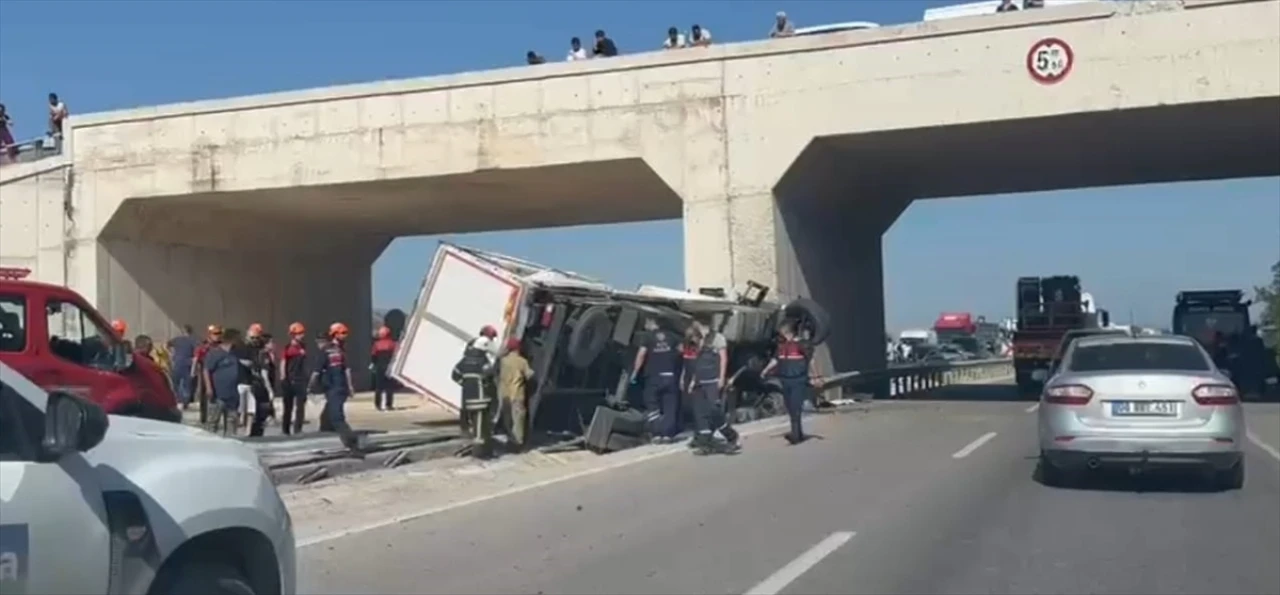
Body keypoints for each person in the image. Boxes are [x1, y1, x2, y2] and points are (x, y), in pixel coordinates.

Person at [682, 317, 740, 454]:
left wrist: (721, 378)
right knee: (700, 413)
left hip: (712, 381)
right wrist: (692, 381)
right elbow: (698, 364)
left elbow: (723, 359)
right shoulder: (698, 341)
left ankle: (730, 435)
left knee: (714, 410)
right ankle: (705, 443)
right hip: (699, 382)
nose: (694, 343)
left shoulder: (717, 338)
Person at [310, 322, 362, 454]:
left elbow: (316, 372)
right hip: (341, 388)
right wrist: (350, 387)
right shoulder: (340, 351)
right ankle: (326, 441)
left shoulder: (326, 351)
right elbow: (347, 370)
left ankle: (352, 443)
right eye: (343, 334)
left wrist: (310, 387)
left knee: (336, 417)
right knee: (326, 418)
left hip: (334, 389)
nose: (345, 337)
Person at [762, 322, 816, 445]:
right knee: (790, 406)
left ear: (788, 333)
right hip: (785, 380)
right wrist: (765, 370)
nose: (780, 337)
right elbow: (775, 360)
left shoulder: (803, 345)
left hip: (798, 379)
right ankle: (798, 433)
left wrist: (816, 377)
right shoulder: (782, 346)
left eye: (782, 334)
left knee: (796, 406)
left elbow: (811, 360)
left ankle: (796, 436)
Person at [630, 317, 683, 443]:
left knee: (652, 404)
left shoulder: (647, 337)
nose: (645, 324)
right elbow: (682, 352)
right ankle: (667, 435)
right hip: (670, 376)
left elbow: (641, 355)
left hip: (654, 377)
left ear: (653, 323)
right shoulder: (673, 337)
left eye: (647, 321)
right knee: (670, 406)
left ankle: (656, 434)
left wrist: (635, 372)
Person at [452, 325, 501, 458]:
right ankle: (480, 452)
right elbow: (489, 378)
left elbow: (455, 375)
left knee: (472, 423)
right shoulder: (483, 362)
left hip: (468, 398)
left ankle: (471, 440)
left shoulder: (464, 360)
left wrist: (467, 385)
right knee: (480, 427)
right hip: (481, 399)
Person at [497, 337, 534, 451]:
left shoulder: (503, 361)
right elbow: (530, 375)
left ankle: (509, 439)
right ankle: (517, 443)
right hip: (517, 394)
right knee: (518, 419)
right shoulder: (521, 361)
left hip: (504, 395)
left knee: (508, 419)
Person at [202, 329, 242, 436]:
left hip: (232, 395)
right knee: (212, 423)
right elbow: (206, 370)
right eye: (238, 339)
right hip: (218, 395)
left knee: (231, 423)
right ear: (232, 339)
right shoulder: (215, 353)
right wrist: (209, 388)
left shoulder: (234, 354)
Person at [279, 322, 311, 435]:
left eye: (302, 333)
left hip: (300, 380)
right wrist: (283, 377)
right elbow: (283, 362)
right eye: (299, 333)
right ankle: (285, 429)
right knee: (288, 406)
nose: (301, 335)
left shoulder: (303, 346)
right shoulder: (288, 348)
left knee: (300, 406)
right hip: (289, 380)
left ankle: (298, 429)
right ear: (293, 335)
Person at [194, 325, 222, 423]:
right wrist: (196, 375)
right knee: (204, 395)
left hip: (218, 374)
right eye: (215, 334)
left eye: (219, 333)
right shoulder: (204, 347)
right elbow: (197, 361)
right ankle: (204, 417)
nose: (218, 336)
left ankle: (214, 417)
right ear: (210, 335)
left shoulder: (221, 347)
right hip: (204, 373)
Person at [168, 325, 198, 409]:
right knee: (187, 384)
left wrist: (171, 354)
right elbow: (197, 353)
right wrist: (194, 364)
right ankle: (185, 402)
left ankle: (177, 401)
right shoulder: (193, 340)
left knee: (176, 384)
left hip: (177, 363)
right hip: (187, 364)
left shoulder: (176, 340)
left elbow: (168, 344)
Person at [370, 325, 398, 411]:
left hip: (379, 367)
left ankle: (378, 405)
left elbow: (373, 356)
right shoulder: (393, 344)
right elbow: (397, 355)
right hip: (389, 367)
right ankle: (388, 405)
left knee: (379, 387)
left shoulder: (376, 344)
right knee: (389, 387)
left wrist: (374, 365)